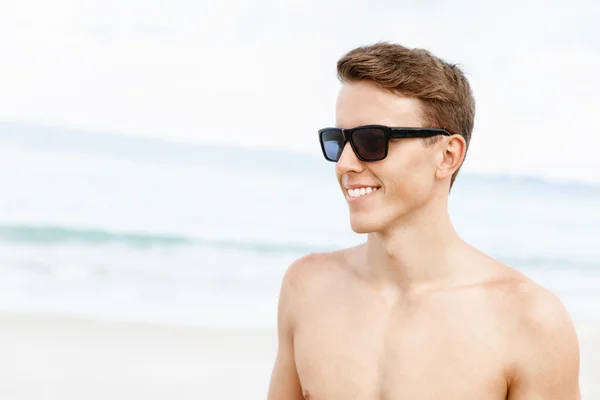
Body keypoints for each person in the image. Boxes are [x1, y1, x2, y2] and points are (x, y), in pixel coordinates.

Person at [267, 42, 581, 399]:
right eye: (339, 141)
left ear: (448, 156)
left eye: (372, 140)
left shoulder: (530, 322)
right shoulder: (307, 288)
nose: (345, 164)